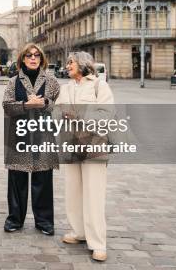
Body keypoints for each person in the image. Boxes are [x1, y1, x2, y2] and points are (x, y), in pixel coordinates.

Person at [53, 51, 115, 262]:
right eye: (67, 63)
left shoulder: (99, 86)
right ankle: (78, 232)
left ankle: (98, 243)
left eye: (70, 62)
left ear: (82, 64)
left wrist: (79, 115)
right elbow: (55, 113)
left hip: (94, 146)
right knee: (73, 191)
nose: (67, 65)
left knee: (94, 194)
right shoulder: (65, 88)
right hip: (71, 145)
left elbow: (106, 115)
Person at [2, 43, 60, 235]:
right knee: (17, 180)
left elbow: (59, 107)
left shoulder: (52, 82)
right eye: (29, 55)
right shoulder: (13, 82)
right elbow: (7, 106)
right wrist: (26, 105)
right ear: (23, 59)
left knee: (43, 180)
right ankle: (15, 219)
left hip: (43, 136)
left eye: (36, 55)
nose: (33, 58)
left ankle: (44, 222)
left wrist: (44, 102)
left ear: (41, 59)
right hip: (19, 135)